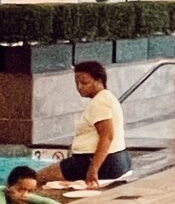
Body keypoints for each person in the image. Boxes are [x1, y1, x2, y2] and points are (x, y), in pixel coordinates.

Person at [52, 61, 130, 189]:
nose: (80, 87)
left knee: (35, 177)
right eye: (77, 83)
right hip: (117, 160)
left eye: (84, 83)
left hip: (97, 162)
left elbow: (107, 136)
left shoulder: (100, 102)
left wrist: (93, 168)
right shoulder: (108, 97)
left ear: (99, 81)